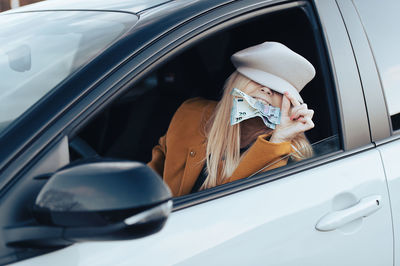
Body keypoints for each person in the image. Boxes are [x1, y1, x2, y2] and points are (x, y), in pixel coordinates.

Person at [148, 41, 315, 197]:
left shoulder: (291, 157)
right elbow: (153, 178)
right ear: (236, 82)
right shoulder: (191, 113)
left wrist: (278, 141)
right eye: (257, 79)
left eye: (279, 88)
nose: (266, 89)